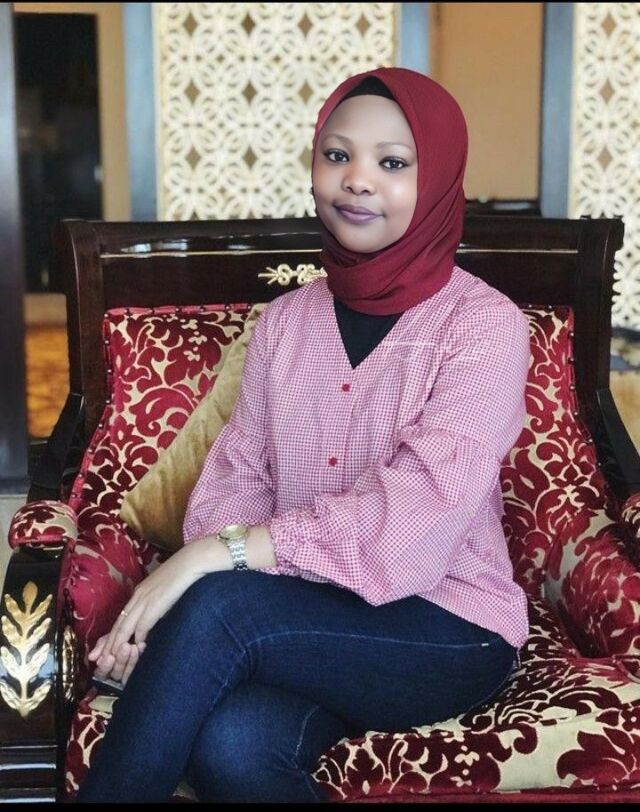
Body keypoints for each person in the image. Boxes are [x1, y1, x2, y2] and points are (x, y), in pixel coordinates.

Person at [75, 67, 531, 804]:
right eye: (336, 154)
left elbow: (412, 523)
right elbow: (238, 478)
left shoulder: (483, 328)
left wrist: (210, 562)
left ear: (440, 180)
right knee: (231, 748)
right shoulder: (286, 322)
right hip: (305, 622)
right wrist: (211, 573)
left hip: (446, 629)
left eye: (393, 163)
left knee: (219, 608)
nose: (357, 180)